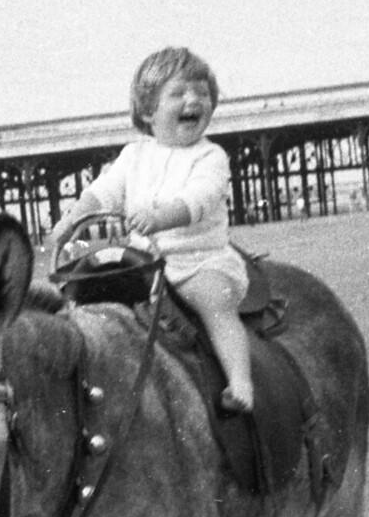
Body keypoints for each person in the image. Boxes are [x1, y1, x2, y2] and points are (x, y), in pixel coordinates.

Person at [50, 47, 253, 412]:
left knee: (215, 302)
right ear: (148, 111)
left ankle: (240, 381)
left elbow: (200, 198)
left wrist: (161, 217)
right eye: (178, 93)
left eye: (202, 92)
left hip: (197, 259)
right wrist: (71, 220)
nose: (193, 100)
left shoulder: (211, 156)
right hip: (143, 261)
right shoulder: (133, 156)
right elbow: (104, 192)